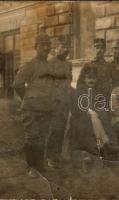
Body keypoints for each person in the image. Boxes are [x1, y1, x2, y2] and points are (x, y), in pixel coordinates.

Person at [13, 32, 54, 177]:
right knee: (32, 137)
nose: (46, 48)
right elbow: (17, 84)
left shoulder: (50, 66)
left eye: (48, 45)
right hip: (31, 108)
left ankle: (40, 166)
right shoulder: (29, 65)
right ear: (36, 47)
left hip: (45, 107)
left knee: (43, 136)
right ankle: (31, 168)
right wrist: (28, 98)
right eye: (42, 45)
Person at [69, 65, 112, 158]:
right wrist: (89, 111)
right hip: (81, 120)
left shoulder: (98, 92)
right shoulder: (79, 91)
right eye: (89, 78)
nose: (91, 81)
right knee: (92, 119)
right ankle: (103, 144)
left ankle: (101, 146)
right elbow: (76, 108)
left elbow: (102, 107)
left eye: (94, 78)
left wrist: (96, 112)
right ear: (84, 79)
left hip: (96, 119)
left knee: (96, 118)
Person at [46, 35, 73, 168]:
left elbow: (68, 82)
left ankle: (57, 155)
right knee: (54, 130)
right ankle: (50, 157)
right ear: (56, 48)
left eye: (67, 47)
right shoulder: (50, 63)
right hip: (55, 102)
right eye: (62, 46)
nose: (65, 49)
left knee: (62, 129)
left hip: (65, 102)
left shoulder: (69, 64)